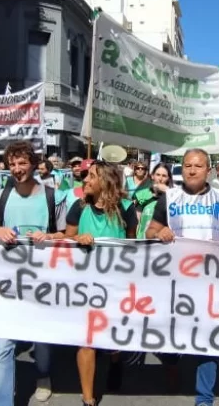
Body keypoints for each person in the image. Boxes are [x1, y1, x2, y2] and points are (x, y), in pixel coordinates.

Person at [145, 148, 219, 406]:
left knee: (207, 340)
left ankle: (204, 397)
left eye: (197, 166)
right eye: (187, 165)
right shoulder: (170, 198)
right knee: (168, 336)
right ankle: (171, 361)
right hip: (175, 281)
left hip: (211, 281)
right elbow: (149, 231)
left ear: (208, 170)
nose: (191, 170)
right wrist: (160, 233)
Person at [0, 141, 67, 405]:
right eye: (12, 164)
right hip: (8, 280)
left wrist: (51, 235)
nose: (17, 169)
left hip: (43, 278)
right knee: (2, 346)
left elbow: (67, 234)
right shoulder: (0, 196)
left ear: (33, 164)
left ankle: (43, 375)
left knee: (40, 338)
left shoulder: (52, 195)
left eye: (22, 163)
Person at [65, 160, 138, 406]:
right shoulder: (78, 207)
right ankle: (88, 399)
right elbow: (66, 239)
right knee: (86, 340)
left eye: (91, 177)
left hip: (115, 284)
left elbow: (133, 247)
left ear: (105, 182)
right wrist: (77, 239)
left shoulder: (127, 209)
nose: (85, 180)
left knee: (111, 336)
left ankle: (115, 362)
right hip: (84, 283)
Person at [133, 163, 172, 238]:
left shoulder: (172, 197)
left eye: (164, 176)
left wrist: (168, 192)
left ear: (168, 178)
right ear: (152, 176)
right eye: (158, 175)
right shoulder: (143, 195)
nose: (160, 178)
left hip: (163, 243)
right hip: (143, 241)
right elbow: (136, 223)